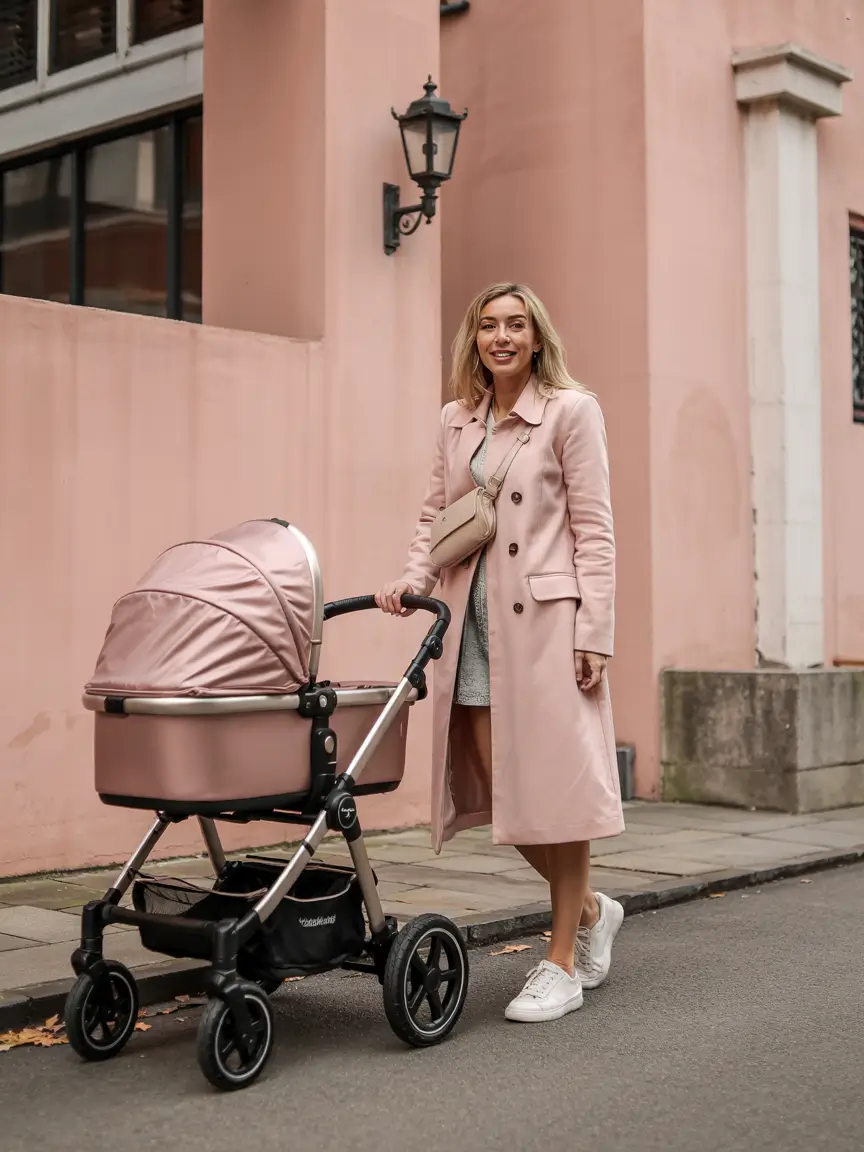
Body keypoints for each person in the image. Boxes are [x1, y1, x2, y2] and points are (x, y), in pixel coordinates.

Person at [375, 282, 625, 1023]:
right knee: (501, 789)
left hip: (547, 630)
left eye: (516, 324)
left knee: (557, 795)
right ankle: (591, 911)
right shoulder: (457, 419)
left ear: (537, 336)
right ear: (475, 339)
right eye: (489, 325)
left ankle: (561, 962)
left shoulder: (571, 411)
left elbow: (595, 530)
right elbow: (435, 514)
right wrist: (414, 579)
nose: (502, 337)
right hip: (473, 630)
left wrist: (595, 632)